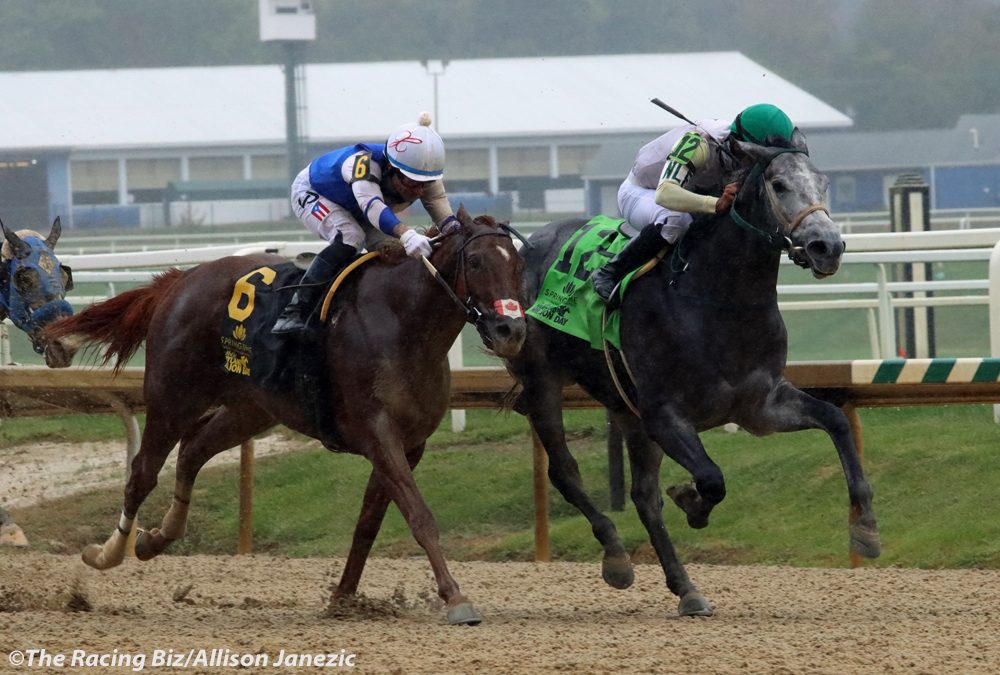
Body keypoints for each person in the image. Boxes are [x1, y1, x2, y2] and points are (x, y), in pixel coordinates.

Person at [590, 103, 799, 302]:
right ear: (741, 144)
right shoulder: (698, 142)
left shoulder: (739, 148)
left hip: (692, 193)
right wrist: (715, 204)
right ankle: (610, 272)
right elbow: (665, 194)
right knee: (676, 219)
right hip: (643, 192)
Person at [272, 112, 459, 334]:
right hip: (316, 193)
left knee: (395, 252)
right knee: (351, 237)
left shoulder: (424, 174)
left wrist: (455, 231)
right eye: (411, 182)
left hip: (362, 206)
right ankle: (295, 309)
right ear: (391, 167)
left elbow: (438, 203)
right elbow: (372, 207)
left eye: (425, 183)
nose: (419, 190)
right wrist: (407, 233)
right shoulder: (363, 164)